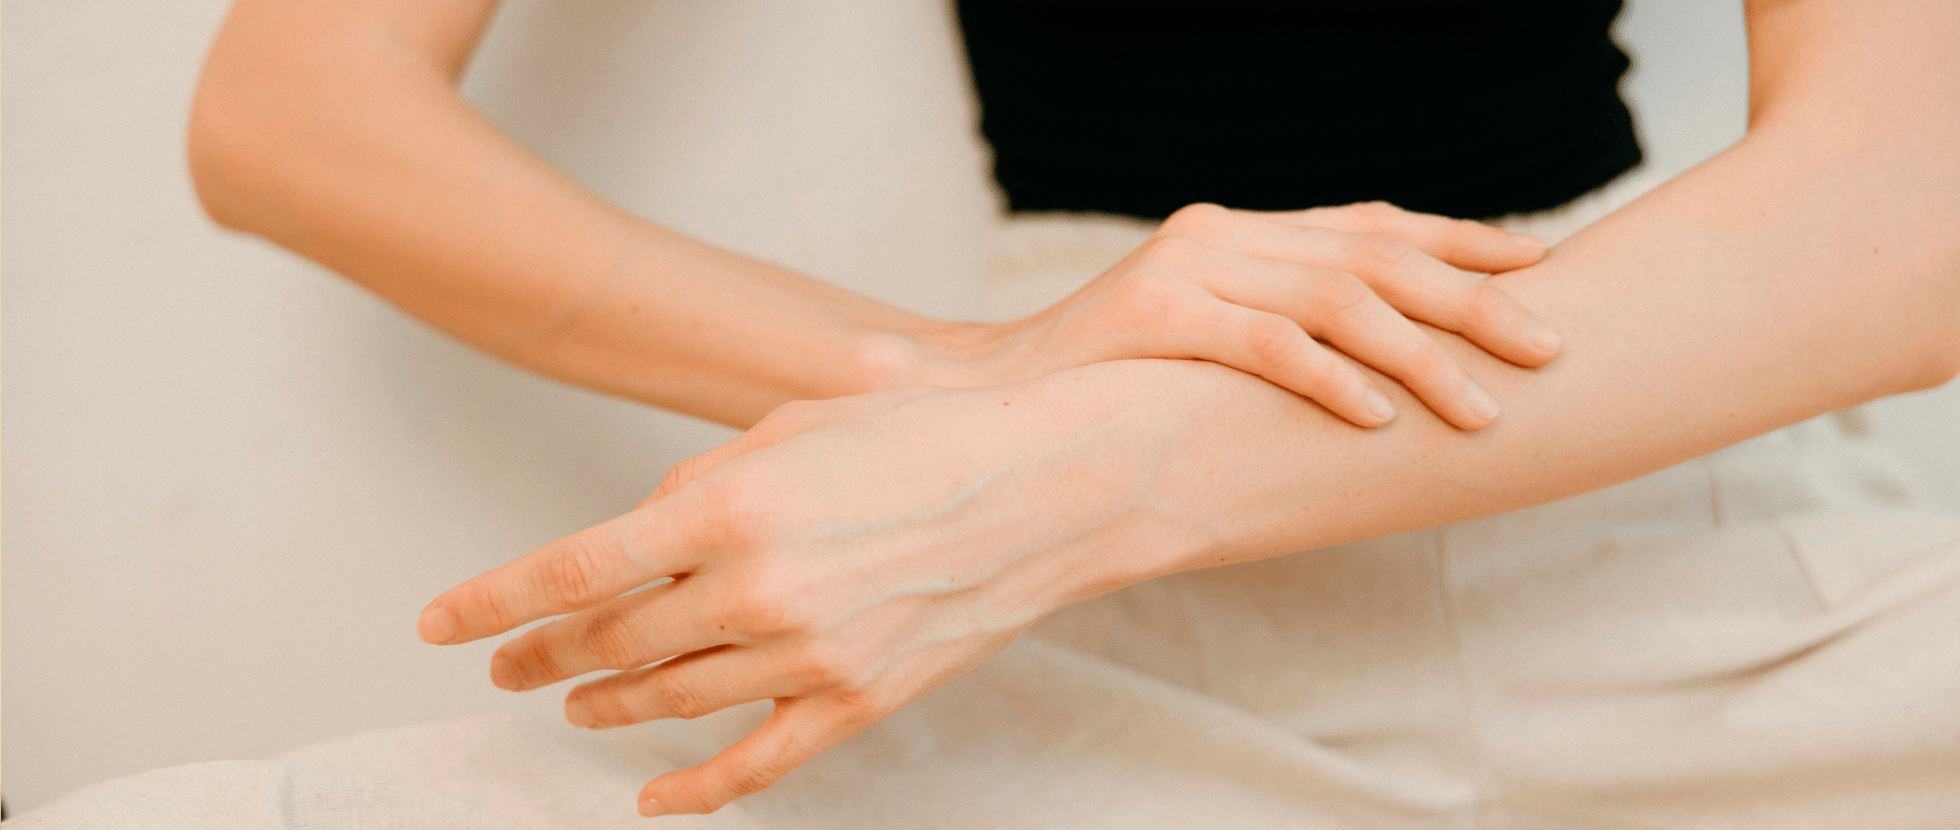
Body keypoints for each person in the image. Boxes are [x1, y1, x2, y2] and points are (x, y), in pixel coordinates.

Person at [188, 0, 1960, 825]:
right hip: (1079, 606)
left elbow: (1907, 213)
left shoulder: (1051, 484)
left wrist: (1083, 467)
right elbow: (290, 108)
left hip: (1663, 481)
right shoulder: (1006, 474)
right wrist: (961, 381)